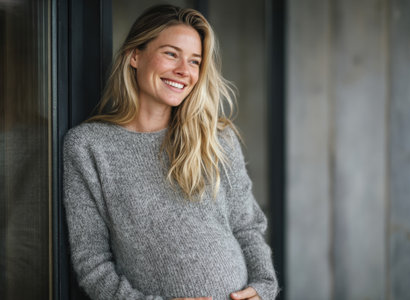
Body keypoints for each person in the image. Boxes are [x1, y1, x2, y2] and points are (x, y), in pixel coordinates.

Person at [63, 4, 278, 300]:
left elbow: (247, 227)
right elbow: (92, 262)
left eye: (194, 61)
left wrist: (263, 288)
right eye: (171, 53)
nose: (183, 71)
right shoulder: (89, 146)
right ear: (135, 55)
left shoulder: (215, 137)